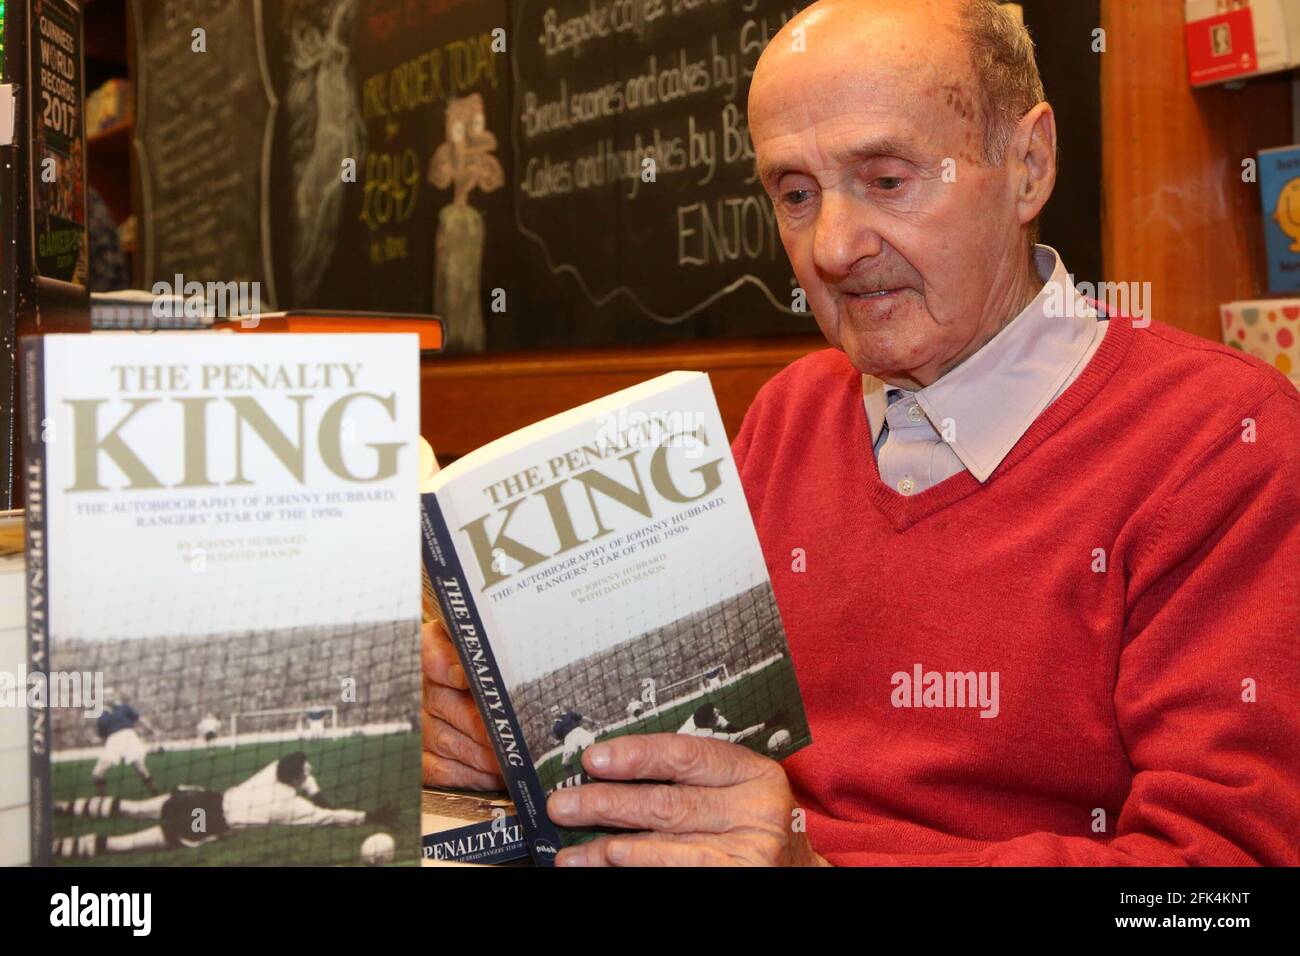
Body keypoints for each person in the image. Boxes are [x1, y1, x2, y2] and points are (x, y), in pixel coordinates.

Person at [421, 0, 1300, 866]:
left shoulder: (1223, 444)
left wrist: (813, 863)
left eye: (887, 180)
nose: (833, 247)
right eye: (796, 194)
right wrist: (529, 745)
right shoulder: (789, 415)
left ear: (1029, 165)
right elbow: (710, 761)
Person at [53, 751, 397, 859]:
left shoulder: (271, 771)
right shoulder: (290, 807)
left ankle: (64, 807)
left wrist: (316, 791)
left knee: (131, 807)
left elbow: (299, 771)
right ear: (297, 779)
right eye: (307, 773)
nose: (310, 775)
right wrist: (369, 816)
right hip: (208, 820)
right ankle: (58, 848)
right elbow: (330, 817)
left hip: (202, 799)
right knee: (125, 844)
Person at [92, 693, 158, 797]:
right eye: (106, 696)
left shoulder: (124, 708)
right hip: (113, 741)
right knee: (97, 773)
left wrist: (151, 730)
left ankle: (154, 793)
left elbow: (139, 719)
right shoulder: (101, 716)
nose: (110, 697)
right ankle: (102, 799)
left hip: (128, 737)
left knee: (140, 768)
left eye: (111, 695)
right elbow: (103, 736)